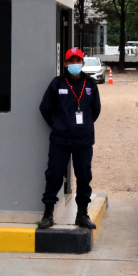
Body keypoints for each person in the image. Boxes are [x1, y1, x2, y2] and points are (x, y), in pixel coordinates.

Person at [38, 47, 101, 230]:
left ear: (82, 63)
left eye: (78, 61)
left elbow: (95, 110)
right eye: (71, 61)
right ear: (65, 63)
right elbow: (45, 108)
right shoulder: (57, 84)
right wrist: (58, 125)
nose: (74, 64)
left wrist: (84, 126)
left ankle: (82, 214)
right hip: (60, 140)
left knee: (84, 176)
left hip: (83, 140)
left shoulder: (90, 84)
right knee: (54, 175)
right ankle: (48, 214)